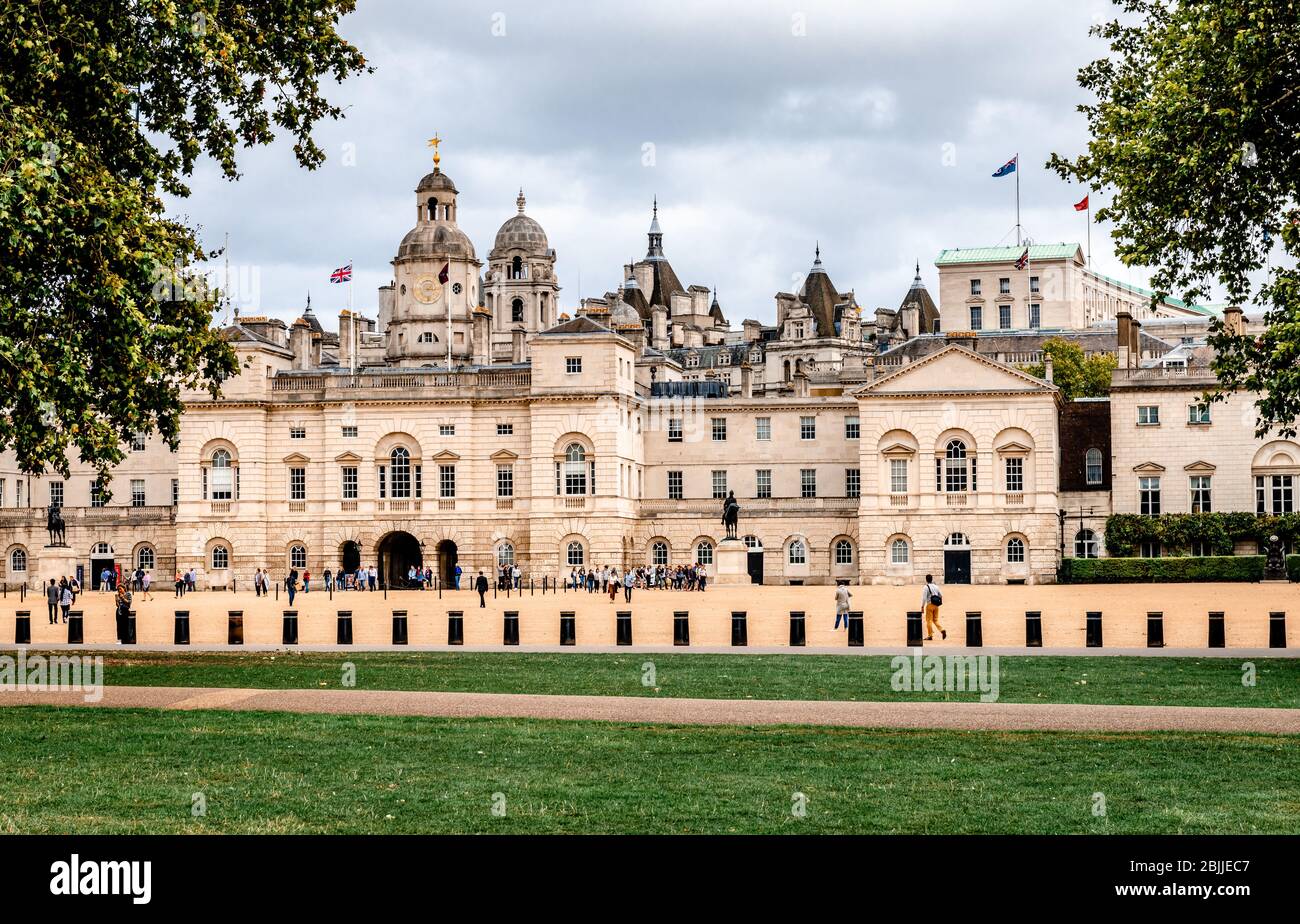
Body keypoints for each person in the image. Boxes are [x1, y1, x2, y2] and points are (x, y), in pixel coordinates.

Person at [922, 574, 946, 641]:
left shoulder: (926, 587)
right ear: (932, 579)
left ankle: (930, 636)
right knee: (935, 620)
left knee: (929, 621)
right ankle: (942, 630)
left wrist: (922, 606)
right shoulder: (936, 586)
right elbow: (941, 595)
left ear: (926, 580)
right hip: (936, 605)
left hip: (929, 604)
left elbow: (924, 598)